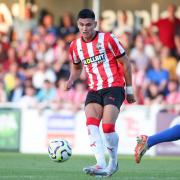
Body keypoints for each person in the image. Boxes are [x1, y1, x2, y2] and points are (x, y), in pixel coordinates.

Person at [64, 9, 135, 177]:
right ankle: (100, 163)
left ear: (95, 24)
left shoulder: (108, 39)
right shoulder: (75, 46)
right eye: (81, 25)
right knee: (91, 123)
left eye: (88, 25)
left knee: (108, 127)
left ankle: (113, 162)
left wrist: (129, 89)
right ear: (78, 25)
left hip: (114, 86)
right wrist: (71, 79)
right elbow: (76, 67)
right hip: (94, 89)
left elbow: (125, 63)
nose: (85, 28)